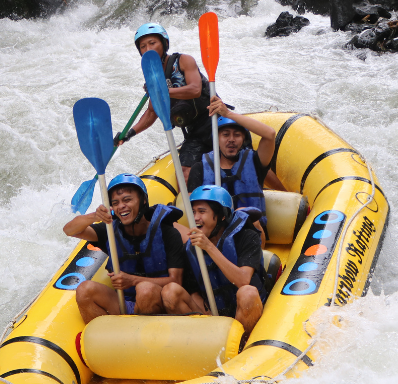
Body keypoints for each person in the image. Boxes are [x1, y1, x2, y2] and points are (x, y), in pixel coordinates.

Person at [63, 174, 185, 323]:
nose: (121, 206)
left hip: (157, 302)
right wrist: (94, 216)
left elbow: (176, 281)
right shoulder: (109, 230)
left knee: (145, 290)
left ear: (143, 200)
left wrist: (133, 280)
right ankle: (108, 341)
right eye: (116, 203)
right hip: (123, 302)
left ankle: (144, 340)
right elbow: (69, 230)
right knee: (84, 290)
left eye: (127, 200)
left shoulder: (167, 232)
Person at [162, 186, 266, 341]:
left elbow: (243, 280)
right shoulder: (191, 249)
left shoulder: (246, 236)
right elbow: (193, 291)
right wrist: (207, 315)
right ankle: (203, 342)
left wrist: (209, 247)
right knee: (170, 291)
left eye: (202, 212)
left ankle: (239, 345)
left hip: (245, 310)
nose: (196, 217)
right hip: (213, 314)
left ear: (221, 215)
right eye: (194, 212)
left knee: (247, 293)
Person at [115, 23, 214, 180]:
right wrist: (129, 134)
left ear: (164, 43)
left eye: (152, 43)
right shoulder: (153, 77)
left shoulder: (183, 60)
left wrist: (162, 91)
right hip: (193, 132)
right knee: (184, 173)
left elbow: (195, 89)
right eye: (143, 46)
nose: (148, 49)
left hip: (214, 120)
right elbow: (152, 111)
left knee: (240, 159)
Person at [186, 96, 284, 245]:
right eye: (225, 135)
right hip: (216, 234)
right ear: (217, 139)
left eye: (237, 135)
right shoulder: (199, 168)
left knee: (250, 220)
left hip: (251, 233)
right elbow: (195, 213)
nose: (231, 139)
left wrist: (228, 114)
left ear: (243, 139)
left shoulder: (256, 162)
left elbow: (269, 134)